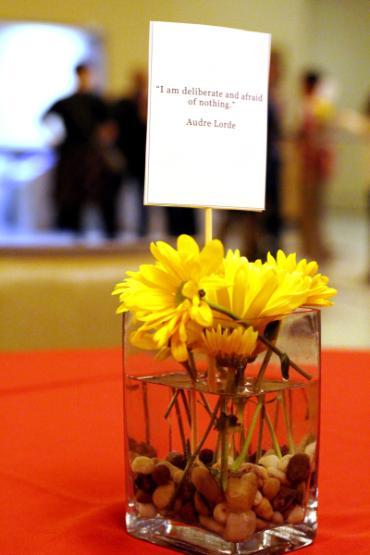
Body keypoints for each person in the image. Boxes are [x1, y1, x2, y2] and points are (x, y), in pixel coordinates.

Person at [44, 63, 120, 237]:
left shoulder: (97, 101)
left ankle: (108, 235)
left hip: (93, 155)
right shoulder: (66, 102)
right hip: (72, 155)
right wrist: (55, 137)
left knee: (101, 195)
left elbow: (110, 126)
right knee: (73, 198)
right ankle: (73, 234)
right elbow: (46, 118)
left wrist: (104, 138)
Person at [296, 70, 335, 260]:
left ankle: (315, 250)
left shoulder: (316, 107)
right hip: (312, 166)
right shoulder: (314, 106)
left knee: (313, 211)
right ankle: (312, 248)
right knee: (311, 211)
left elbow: (316, 139)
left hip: (313, 167)